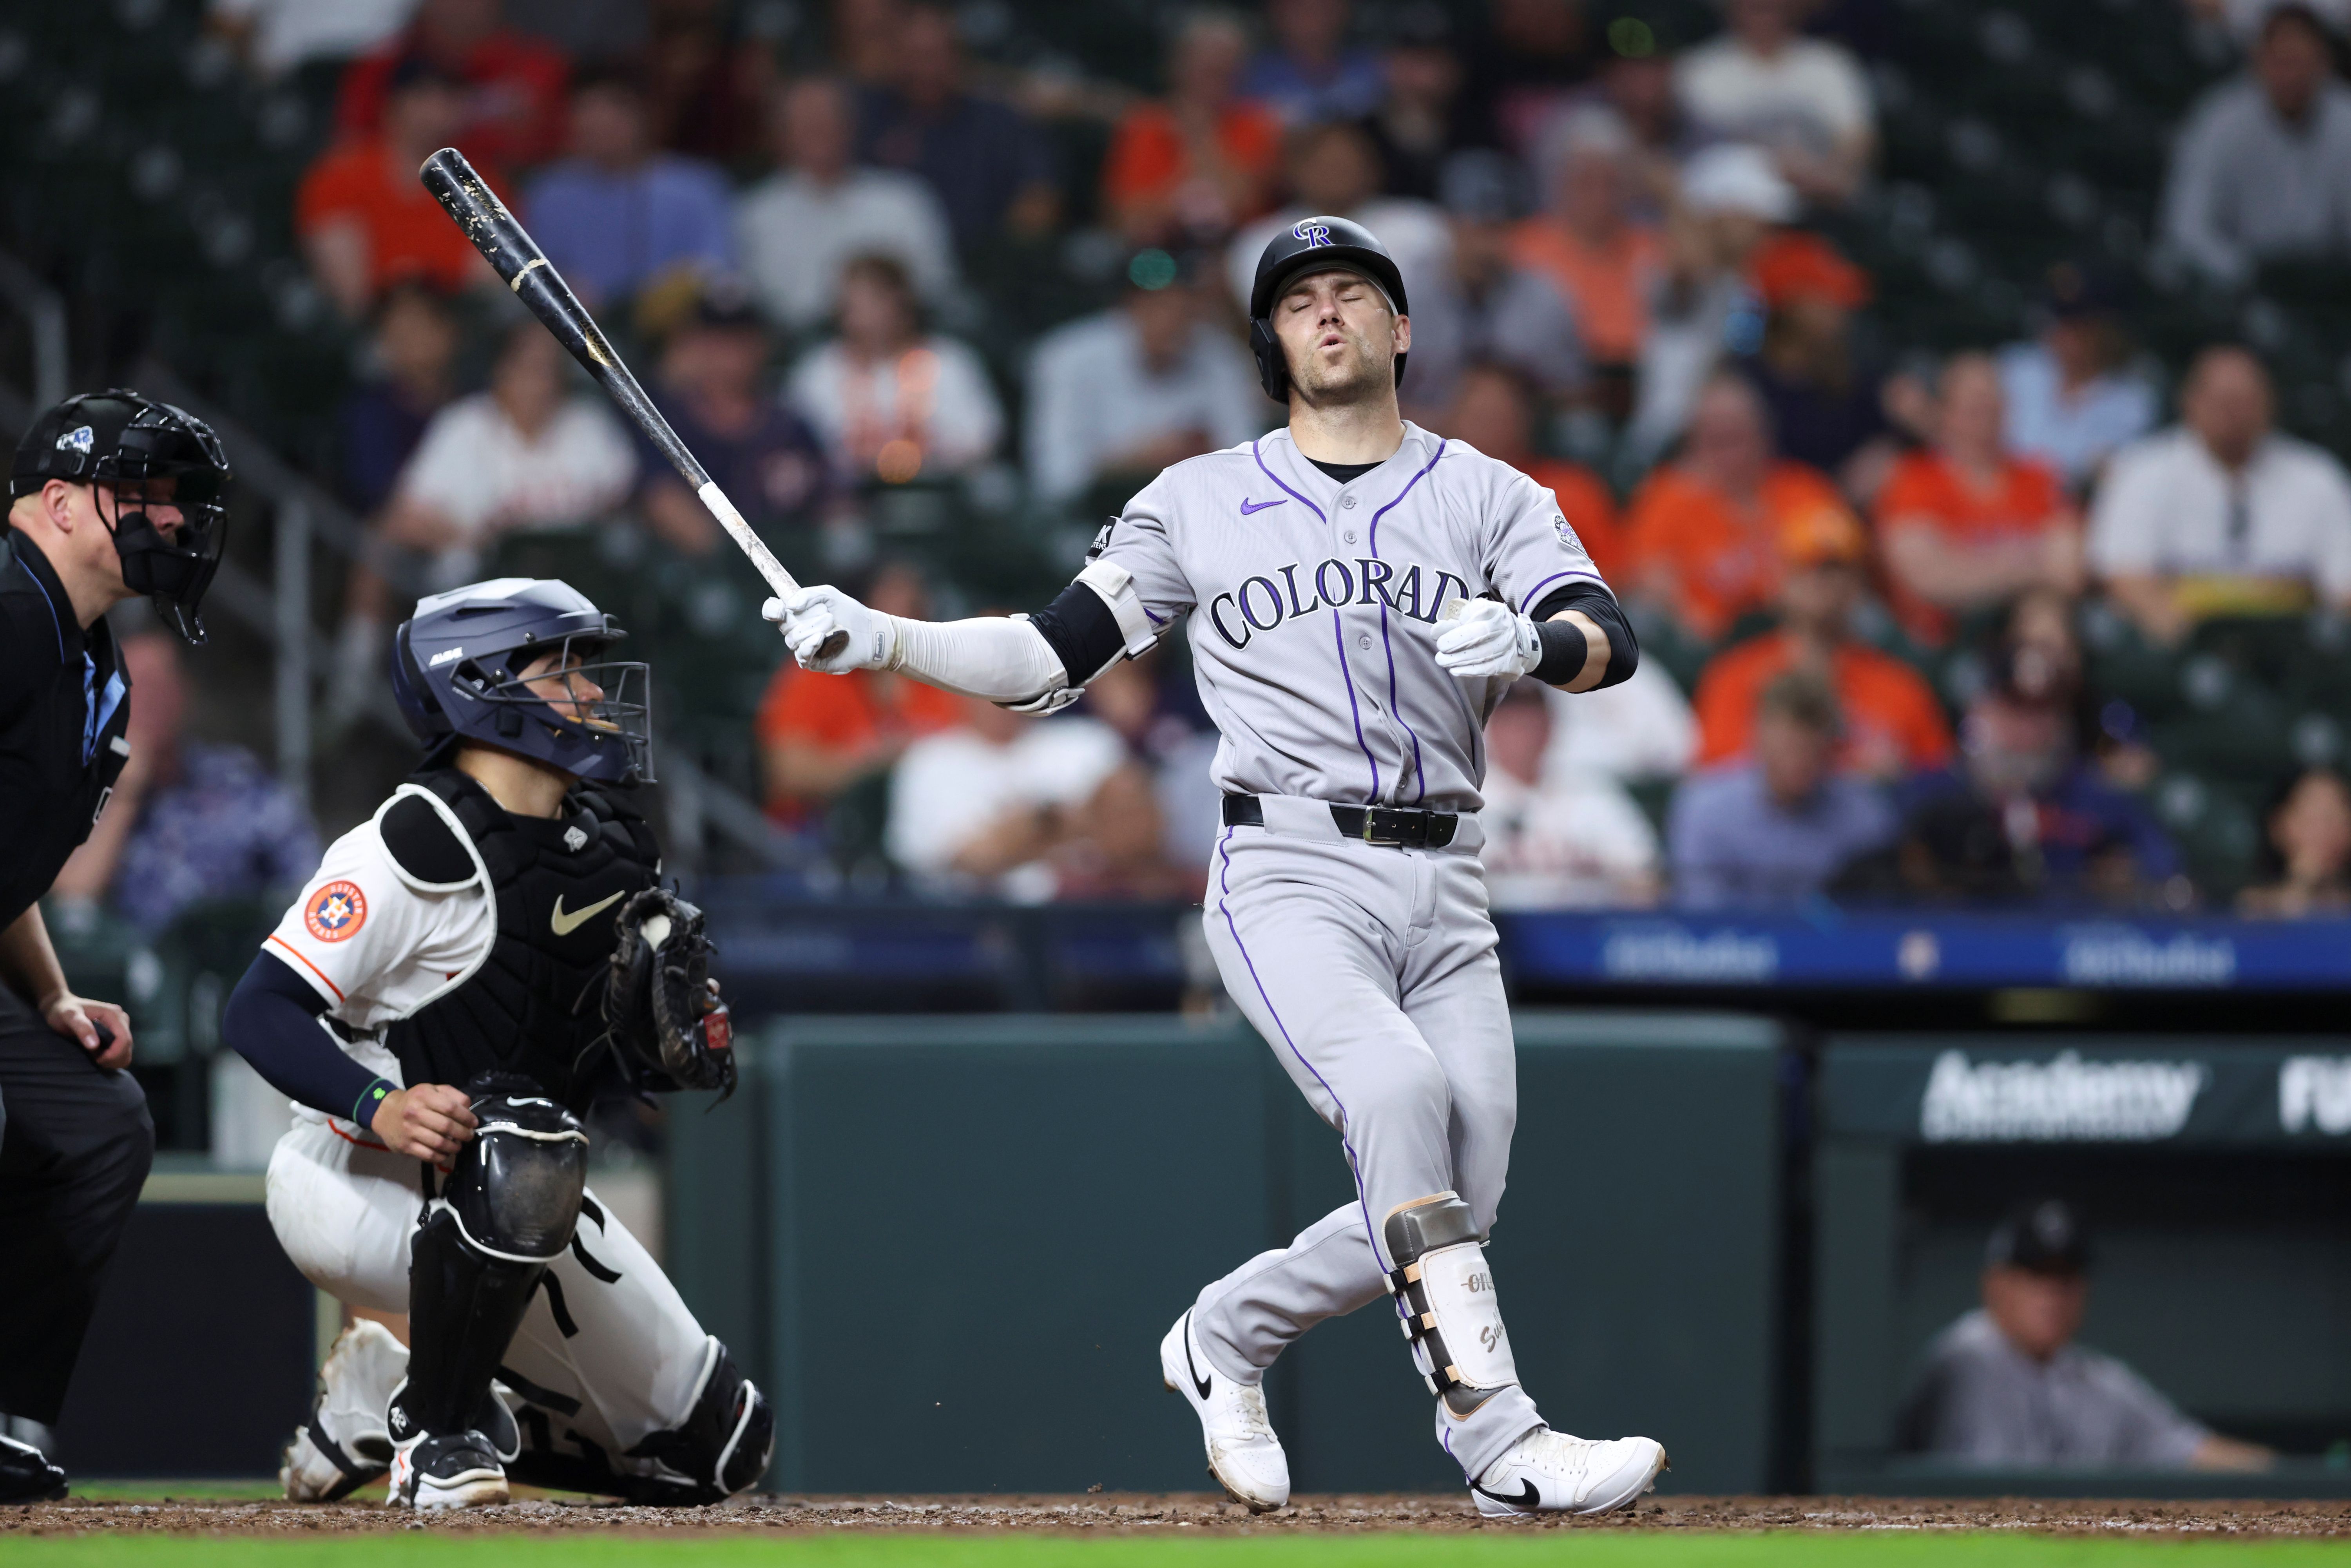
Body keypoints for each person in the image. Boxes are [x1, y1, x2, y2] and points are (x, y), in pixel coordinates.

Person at [764, 215, 1665, 1515]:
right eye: (1302, 303)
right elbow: (1047, 656)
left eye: (1356, 293)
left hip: (1450, 877)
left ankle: (1225, 1335)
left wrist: (1531, 640)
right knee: (1400, 1095)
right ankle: (1500, 1444)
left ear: (1404, 329)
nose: (1332, 313)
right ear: (1270, 343)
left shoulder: (1490, 492)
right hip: (1288, 865)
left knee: (1460, 1192)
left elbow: (1608, 634)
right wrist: (887, 639)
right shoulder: (1195, 498)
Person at [221, 579, 771, 1509]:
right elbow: (258, 1010)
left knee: (714, 1450)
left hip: (516, 1187)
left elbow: (556, 1053)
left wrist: (651, 1049)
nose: (593, 693)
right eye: (561, 670)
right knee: (518, 1132)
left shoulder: (606, 845)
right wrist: (377, 1104)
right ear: (477, 686)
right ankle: (439, 1433)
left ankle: (385, 1402)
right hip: (353, 1177)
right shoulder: (408, 843)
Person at [0, 390, 232, 1501]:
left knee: (96, 1121)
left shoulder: (91, 660)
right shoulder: (3, 608)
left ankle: (11, 1420)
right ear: (56, 504)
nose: (172, 521)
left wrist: (49, 996)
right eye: (142, 494)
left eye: (177, 501)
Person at [1898, 1200, 2274, 1471]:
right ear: (1996, 1285)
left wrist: (2307, 1476)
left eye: (2066, 1278)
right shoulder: (1963, 1359)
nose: (2052, 1296)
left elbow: (2194, 1451)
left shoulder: (2098, 1382)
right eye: (2037, 1276)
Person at [1896, 594, 2182, 905]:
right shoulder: (1926, 795)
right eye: (2013, 710)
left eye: (2043, 713)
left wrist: (2128, 885)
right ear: (1978, 711)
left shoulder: (2100, 802)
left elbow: (2171, 887)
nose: (2027, 732)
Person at [47, 631, 319, 936]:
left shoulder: (237, 778)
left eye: (158, 685)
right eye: (132, 686)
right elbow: (73, 899)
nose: (148, 701)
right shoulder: (81, 785)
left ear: (184, 693)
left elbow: (309, 876)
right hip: (131, 970)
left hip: (240, 961)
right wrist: (127, 790)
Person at [2088, 346, 2351, 645]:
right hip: (2184, 648)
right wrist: (2186, 638)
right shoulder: (2143, 470)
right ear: (2190, 401)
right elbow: (2124, 573)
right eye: (2223, 402)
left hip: (2296, 654)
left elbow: (2345, 586)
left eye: (2246, 401)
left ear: (2271, 404)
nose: (2234, 414)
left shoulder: (2318, 476)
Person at [1690, 507, 1953, 779]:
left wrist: (1898, 779)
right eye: (1807, 566)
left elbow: (1939, 782)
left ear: (1857, 584)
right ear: (1779, 581)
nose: (1821, 580)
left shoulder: (1900, 686)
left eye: (1835, 568)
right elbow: (1714, 784)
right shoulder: (1733, 679)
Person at [376, 321, 639, 593]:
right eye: (530, 367)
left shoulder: (589, 423)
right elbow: (402, 520)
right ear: (501, 369)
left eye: (550, 369)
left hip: (582, 588)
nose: (542, 382)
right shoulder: (464, 425)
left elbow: (626, 505)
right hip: (483, 590)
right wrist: (471, 540)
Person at [1622, 371, 1860, 643]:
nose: (1727, 456)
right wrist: (1690, 615)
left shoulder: (1803, 489)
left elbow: (1844, 561)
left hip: (1801, 634)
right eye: (1714, 441)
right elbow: (1649, 576)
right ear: (1693, 444)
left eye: (1736, 438)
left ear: (1764, 436)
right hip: (1707, 643)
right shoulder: (1669, 497)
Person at [1025, 251, 1262, 509]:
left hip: (1200, 510)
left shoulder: (1219, 357)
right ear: (1128, 307)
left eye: (1184, 307)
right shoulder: (1068, 358)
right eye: (1158, 305)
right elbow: (1054, 480)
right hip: (1096, 519)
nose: (1173, 319)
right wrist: (1137, 461)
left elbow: (1248, 464)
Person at [1876, 353, 2081, 648]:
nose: (1985, 418)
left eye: (1993, 405)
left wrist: (1971, 565)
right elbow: (1930, 578)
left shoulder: (2040, 476)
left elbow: (2067, 572)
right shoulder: (1914, 479)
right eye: (1973, 408)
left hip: (2027, 624)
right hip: (1944, 637)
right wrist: (2027, 561)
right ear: (1945, 412)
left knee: (2045, 614)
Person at [886, 690, 1162, 901]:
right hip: (972, 925)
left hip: (1093, 912)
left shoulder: (1086, 740)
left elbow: (1141, 835)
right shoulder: (929, 760)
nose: (1003, 693)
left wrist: (1028, 830)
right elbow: (978, 860)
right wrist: (1073, 822)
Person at [735, 76, 958, 335]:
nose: (819, 129)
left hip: (897, 346)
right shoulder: (755, 214)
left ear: (851, 127)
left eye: (829, 119)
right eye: (806, 122)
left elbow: (937, 290)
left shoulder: (902, 200)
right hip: (793, 355)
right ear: (781, 135)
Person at [755, 561, 960, 827]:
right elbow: (787, 773)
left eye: (913, 602)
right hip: (822, 829)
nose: (903, 610)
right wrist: (875, 763)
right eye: (889, 597)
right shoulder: (817, 671)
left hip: (930, 825)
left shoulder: (941, 673)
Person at [634, 280, 831, 557]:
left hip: (796, 571)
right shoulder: (670, 424)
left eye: (739, 340)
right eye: (716, 341)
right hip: (701, 576)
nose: (728, 354)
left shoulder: (790, 426)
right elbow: (660, 500)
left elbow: (835, 508)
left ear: (762, 345)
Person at [1668, 669, 1896, 907]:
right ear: (1759, 737)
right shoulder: (1705, 810)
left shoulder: (1866, 816)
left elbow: (1874, 920)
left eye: (1810, 750)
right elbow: (1703, 919)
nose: (1798, 762)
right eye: (1788, 747)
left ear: (1830, 747)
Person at [2163, 3, 2351, 286]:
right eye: (2281, 61)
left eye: (2302, 62)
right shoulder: (2219, 121)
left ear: (2323, 63)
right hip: (2239, 281)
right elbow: (2186, 227)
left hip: (2329, 286)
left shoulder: (2345, 118)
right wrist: (2240, 271)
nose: (2292, 76)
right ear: (2258, 60)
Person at [297, 55, 496, 320]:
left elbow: (485, 285)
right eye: (422, 98)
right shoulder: (341, 177)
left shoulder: (480, 184)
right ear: (392, 104)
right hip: (372, 332)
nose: (434, 113)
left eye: (447, 99)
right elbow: (352, 297)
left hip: (457, 333)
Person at [522, 64, 735, 310]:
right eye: (586, 110)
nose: (598, 123)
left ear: (645, 114)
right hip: (574, 322)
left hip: (678, 322)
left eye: (613, 109)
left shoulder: (696, 187)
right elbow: (529, 271)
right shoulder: (550, 192)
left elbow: (716, 269)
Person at [853, 2, 1058, 255]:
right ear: (896, 59)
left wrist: (1009, 247)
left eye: (936, 56)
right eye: (916, 57)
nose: (926, 70)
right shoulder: (869, 117)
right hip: (888, 258)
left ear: (958, 57)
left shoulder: (998, 120)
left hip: (983, 259)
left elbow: (1040, 196)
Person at [786, 253, 1003, 485]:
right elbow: (797, 449)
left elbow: (984, 439)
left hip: (942, 492)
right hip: (848, 498)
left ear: (901, 301)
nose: (864, 317)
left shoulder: (949, 361)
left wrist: (919, 453)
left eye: (875, 301)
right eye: (853, 305)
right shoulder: (818, 371)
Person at [1401, 154, 1587, 422]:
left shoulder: (1544, 299)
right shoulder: (1408, 298)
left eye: (1497, 230)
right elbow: (1378, 400)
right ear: (1449, 226)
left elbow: (1574, 391)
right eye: (1474, 229)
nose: (1485, 246)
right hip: (1426, 436)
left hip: (1519, 437)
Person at [1224, 121, 1453, 328]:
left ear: (1373, 167)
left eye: (1346, 160)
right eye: (1323, 162)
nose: (1336, 171)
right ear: (1295, 172)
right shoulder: (1260, 242)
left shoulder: (1424, 226)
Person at [1102, 9, 1285, 248]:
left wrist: (1201, 135)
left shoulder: (1258, 123)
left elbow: (1244, 201)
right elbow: (1126, 221)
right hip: (1159, 254)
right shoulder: (1143, 126)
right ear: (1176, 64)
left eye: (1225, 63)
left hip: (1243, 250)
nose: (1215, 69)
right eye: (1204, 61)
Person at [1510, 107, 1663, 377]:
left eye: (1610, 182)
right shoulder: (1523, 249)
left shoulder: (1652, 249)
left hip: (1634, 379)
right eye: (1585, 181)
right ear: (1558, 182)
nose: (1599, 196)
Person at [1673, 0, 1874, 206]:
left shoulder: (1830, 63)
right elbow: (1693, 152)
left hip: (1821, 200)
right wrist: (1772, 165)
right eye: (1755, 7)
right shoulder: (1699, 70)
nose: (1765, 11)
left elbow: (1857, 140)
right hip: (1735, 203)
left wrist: (1825, 175)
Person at [1480, 679, 1660, 908]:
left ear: (1551, 725)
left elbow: (1647, 878)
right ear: (1492, 728)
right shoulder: (1470, 797)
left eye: (1533, 720)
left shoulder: (1592, 790)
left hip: (1582, 931)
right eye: (1512, 722)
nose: (1523, 733)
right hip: (1501, 934)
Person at [1437, 362, 1623, 581]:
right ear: (1451, 419)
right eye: (1476, 416)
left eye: (1496, 417)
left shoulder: (1574, 491)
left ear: (1525, 420)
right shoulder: (1423, 493)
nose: (1486, 429)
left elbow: (1616, 580)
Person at [334, 0, 570, 171]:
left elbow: (569, 150)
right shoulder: (381, 69)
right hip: (407, 190)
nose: (459, 6)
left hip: (511, 197)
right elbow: (350, 147)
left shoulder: (539, 66)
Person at [1997, 265, 2160, 493]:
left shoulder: (2132, 402)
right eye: (2060, 318)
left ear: (2107, 328)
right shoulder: (2014, 370)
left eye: (2080, 324)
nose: (2066, 332)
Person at [337, 283, 460, 518]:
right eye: (398, 333)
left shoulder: (478, 404)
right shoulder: (371, 413)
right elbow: (376, 496)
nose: (412, 343)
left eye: (420, 327)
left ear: (449, 331)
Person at [1355, 4, 1473, 202]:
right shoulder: (1359, 138)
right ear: (1385, 64)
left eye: (1434, 63)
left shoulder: (1477, 133)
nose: (1422, 78)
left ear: (1456, 71)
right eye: (1411, 62)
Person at [1458, 0, 1599, 154]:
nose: (1538, 16)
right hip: (1500, 165)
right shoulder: (1481, 61)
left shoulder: (1594, 62)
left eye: (1547, 8)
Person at [1241, 0, 1385, 127]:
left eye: (1325, 5)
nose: (1313, 13)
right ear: (1276, 10)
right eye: (1299, 6)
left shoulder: (1376, 68)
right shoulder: (1250, 78)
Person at [2239, 765, 2351, 916]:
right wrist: (2301, 883)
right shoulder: (2254, 904)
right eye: (2313, 818)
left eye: (2336, 816)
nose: (2326, 831)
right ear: (2278, 825)